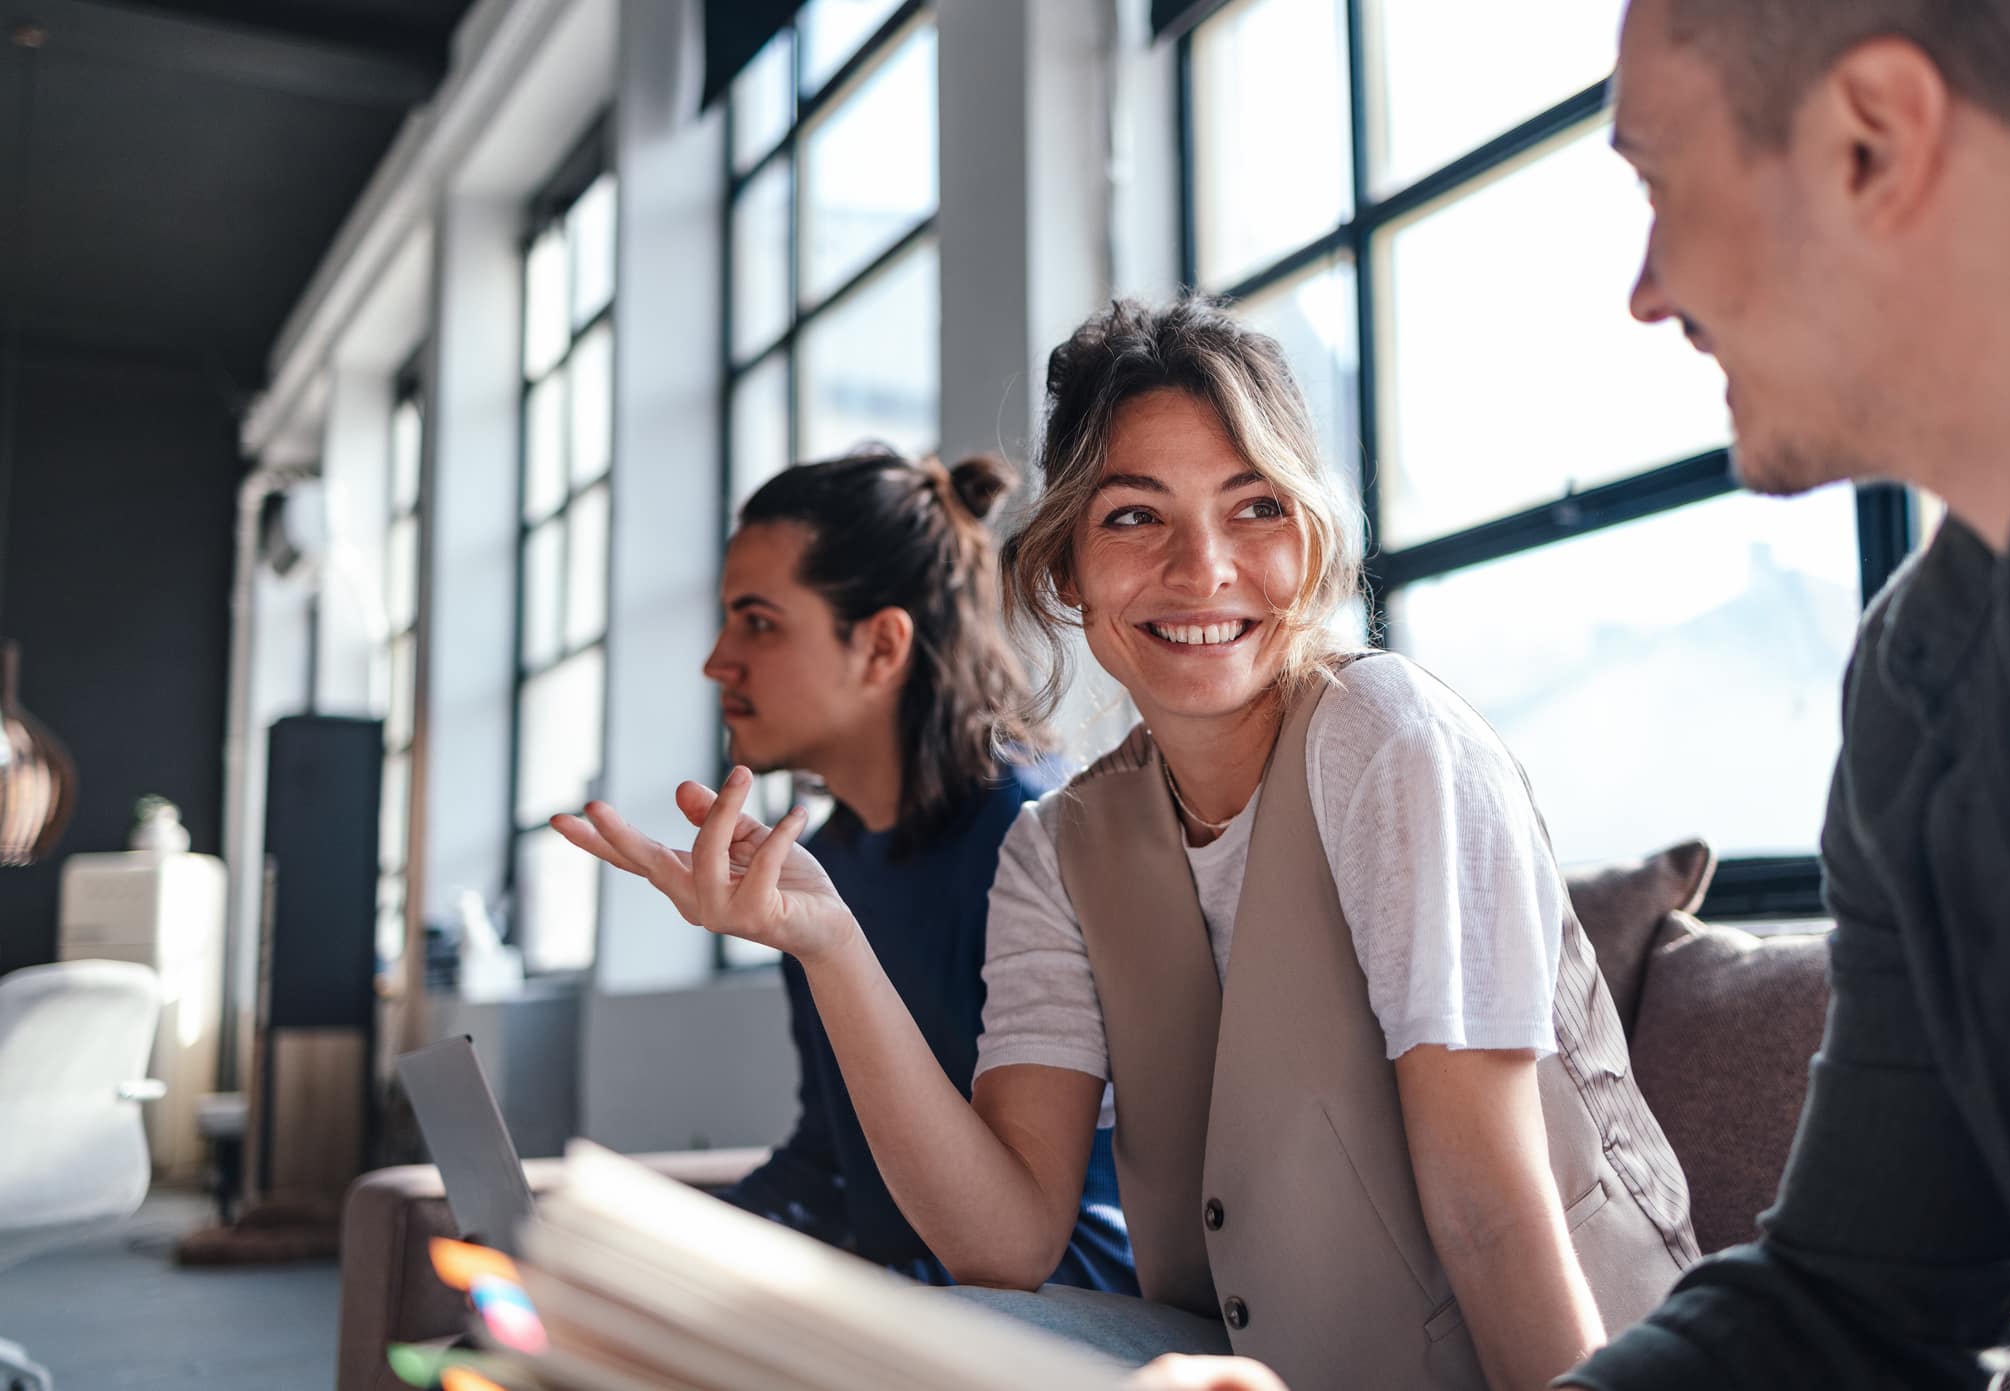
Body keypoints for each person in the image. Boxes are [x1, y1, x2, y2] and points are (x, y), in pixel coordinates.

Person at [558, 299, 1697, 1390]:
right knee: (940, 1338)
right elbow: (1003, 1242)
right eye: (1135, 516)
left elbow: (1491, 1210)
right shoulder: (1055, 849)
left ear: (1310, 539)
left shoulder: (1386, 736)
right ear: (1065, 566)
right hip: (1264, 1363)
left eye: (1256, 506)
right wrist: (829, 942)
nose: (1201, 568)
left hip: (1566, 1359)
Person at [1555, 1, 2010, 1387]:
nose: (1646, 290)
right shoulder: (1925, 686)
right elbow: (1854, 1303)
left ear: (1871, 143)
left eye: (1657, 183)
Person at [558, 446, 1136, 1293]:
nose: (717, 662)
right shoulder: (819, 868)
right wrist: (648, 1259)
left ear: (880, 646)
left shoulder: (1037, 845)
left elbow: (1083, 1246)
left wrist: (832, 1311)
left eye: (758, 622)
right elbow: (833, 1165)